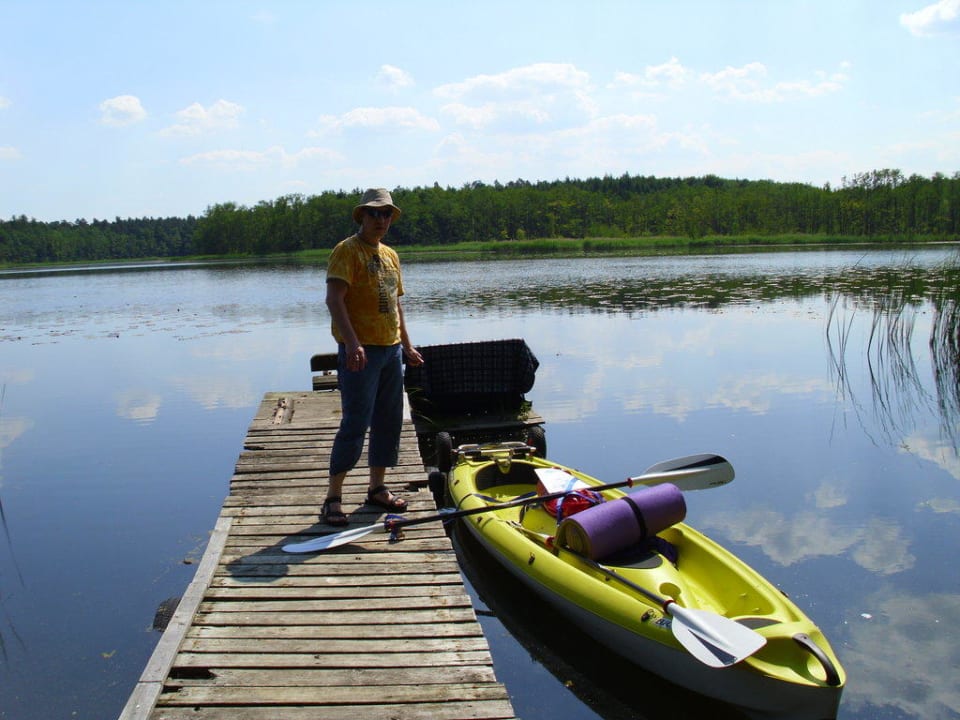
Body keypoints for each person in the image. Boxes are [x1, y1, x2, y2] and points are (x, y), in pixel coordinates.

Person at [321, 188, 424, 526]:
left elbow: (395, 304)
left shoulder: (391, 255)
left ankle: (376, 488)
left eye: (386, 215)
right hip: (360, 353)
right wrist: (352, 344)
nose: (381, 220)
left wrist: (407, 345)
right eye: (374, 214)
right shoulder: (346, 251)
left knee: (388, 421)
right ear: (361, 217)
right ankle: (333, 497)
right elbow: (334, 301)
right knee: (355, 421)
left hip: (391, 350)